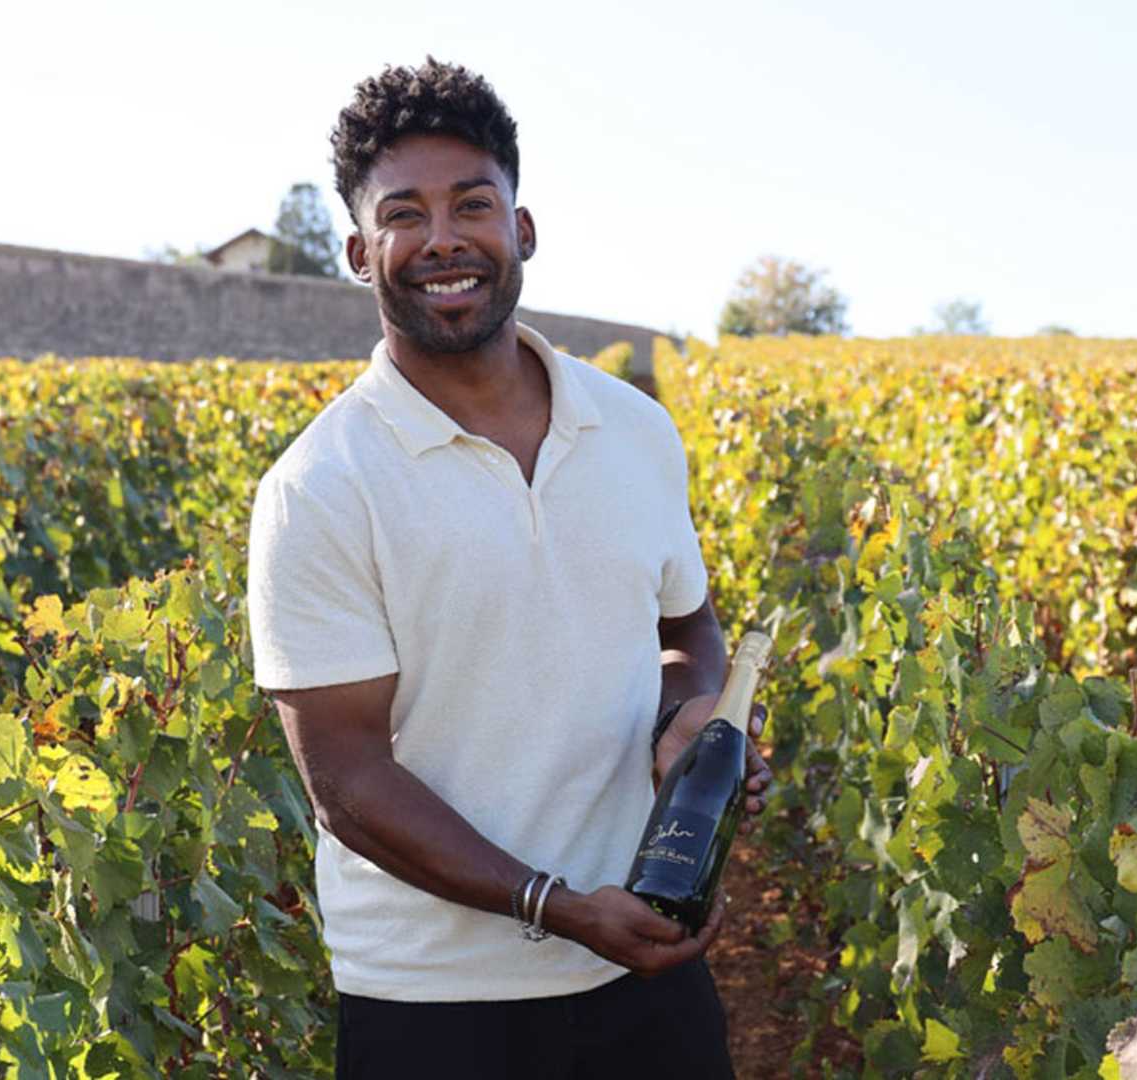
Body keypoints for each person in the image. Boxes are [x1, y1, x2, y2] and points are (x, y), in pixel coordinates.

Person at [246, 57, 771, 1080]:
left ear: (521, 230)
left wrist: (689, 717)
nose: (443, 238)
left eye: (473, 205)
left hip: (646, 961)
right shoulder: (320, 488)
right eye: (404, 215)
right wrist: (556, 908)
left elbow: (686, 627)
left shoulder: (636, 430)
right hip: (433, 1005)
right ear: (359, 253)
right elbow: (347, 779)